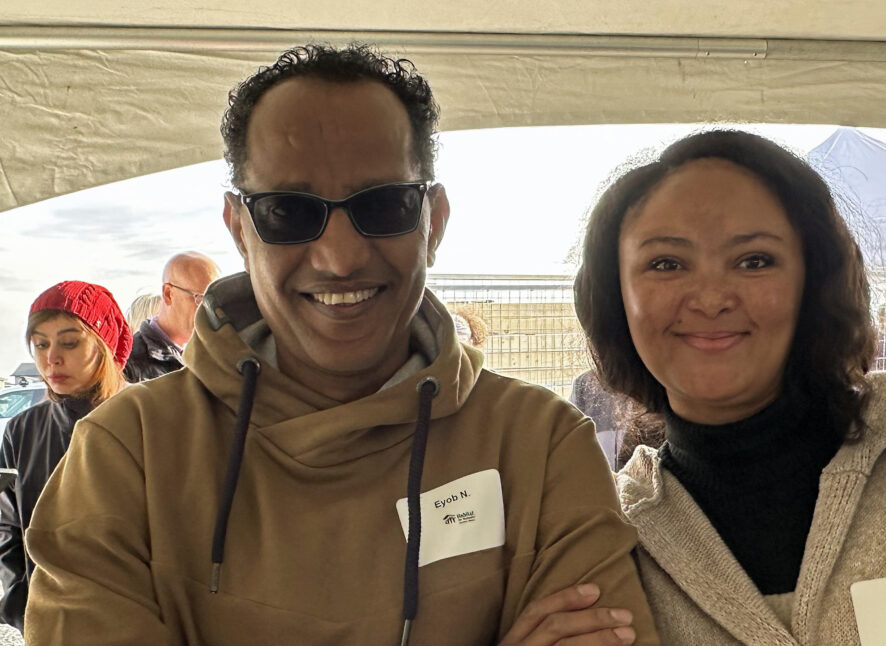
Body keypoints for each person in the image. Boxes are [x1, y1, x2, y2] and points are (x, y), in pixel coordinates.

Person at [24, 44, 656, 645]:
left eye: (382, 206)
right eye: (288, 212)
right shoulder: (126, 454)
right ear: (239, 229)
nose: (340, 257)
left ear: (432, 223)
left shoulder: (539, 445)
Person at [568, 130, 886, 643]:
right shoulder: (608, 543)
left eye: (754, 261)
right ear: (616, 296)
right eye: (666, 264)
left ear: (814, 281)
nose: (711, 298)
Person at [0, 281, 132, 632]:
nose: (51, 358)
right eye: (40, 344)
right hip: (50, 627)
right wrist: (22, 606)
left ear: (104, 344)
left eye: (69, 342)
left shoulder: (147, 418)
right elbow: (7, 528)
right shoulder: (22, 430)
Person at [123, 251, 220, 382]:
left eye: (214, 302)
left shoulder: (214, 357)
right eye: (201, 299)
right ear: (168, 294)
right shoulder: (129, 367)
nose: (209, 310)